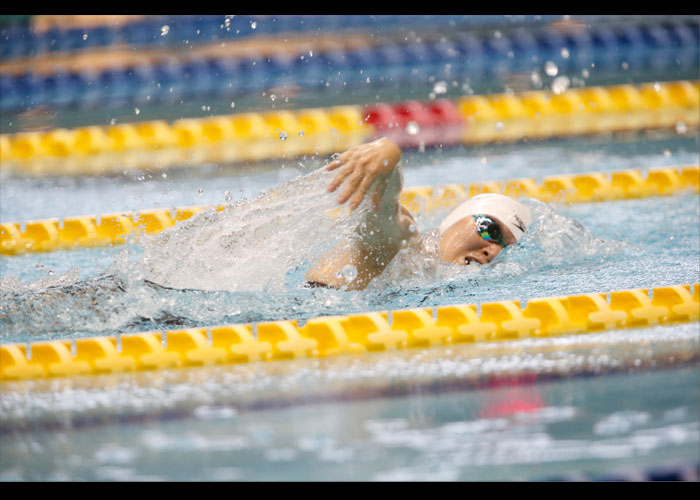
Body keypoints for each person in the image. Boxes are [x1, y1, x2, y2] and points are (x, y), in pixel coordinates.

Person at [305, 137, 531, 290]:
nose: (493, 250)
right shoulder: (404, 246)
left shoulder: (429, 278)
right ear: (454, 221)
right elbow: (384, 207)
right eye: (489, 229)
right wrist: (388, 153)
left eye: (505, 248)